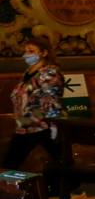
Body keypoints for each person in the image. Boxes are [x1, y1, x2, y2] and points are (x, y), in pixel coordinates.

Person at [4, 37, 66, 180]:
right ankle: (73, 189)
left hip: (42, 125)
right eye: (26, 51)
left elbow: (49, 103)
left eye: (31, 51)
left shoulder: (50, 74)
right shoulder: (29, 73)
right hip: (28, 125)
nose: (27, 55)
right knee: (60, 158)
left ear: (44, 53)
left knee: (11, 162)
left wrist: (27, 119)